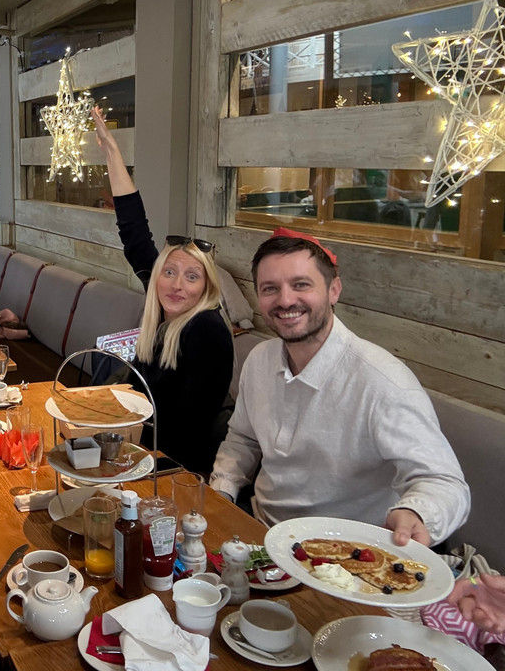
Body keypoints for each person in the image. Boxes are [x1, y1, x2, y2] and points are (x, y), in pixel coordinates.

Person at [210, 229, 470, 546]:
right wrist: (221, 493)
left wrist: (416, 513)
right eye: (270, 288)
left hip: (343, 556)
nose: (285, 300)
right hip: (260, 533)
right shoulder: (259, 360)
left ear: (334, 290)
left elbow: (445, 482)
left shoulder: (382, 382)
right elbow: (243, 438)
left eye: (301, 285)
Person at [92, 107, 234, 475]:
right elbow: (135, 233)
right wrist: (112, 154)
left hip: (174, 473)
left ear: (207, 287)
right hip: (140, 451)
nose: (176, 284)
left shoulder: (207, 331)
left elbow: (188, 432)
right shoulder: (164, 311)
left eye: (191, 276)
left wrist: (123, 456)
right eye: (169, 272)